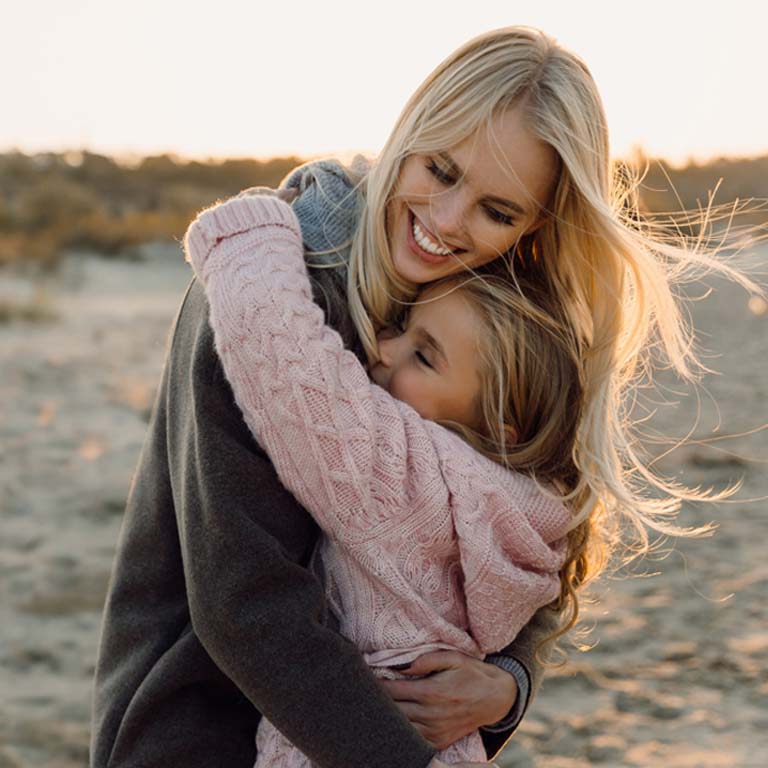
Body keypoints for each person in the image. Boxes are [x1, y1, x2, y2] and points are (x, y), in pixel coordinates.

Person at [91, 25, 736, 768]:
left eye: (500, 211)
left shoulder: (484, 314)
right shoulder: (261, 293)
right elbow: (245, 604)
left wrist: (509, 684)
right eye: (441, 169)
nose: (450, 222)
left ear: (535, 226)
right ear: (412, 128)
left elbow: (516, 524)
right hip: (199, 730)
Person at [183, 189, 583, 764]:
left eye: (424, 356)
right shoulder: (535, 515)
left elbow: (278, 348)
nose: (381, 348)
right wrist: (514, 681)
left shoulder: (411, 483)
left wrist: (254, 227)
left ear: (501, 424)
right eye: (402, 326)